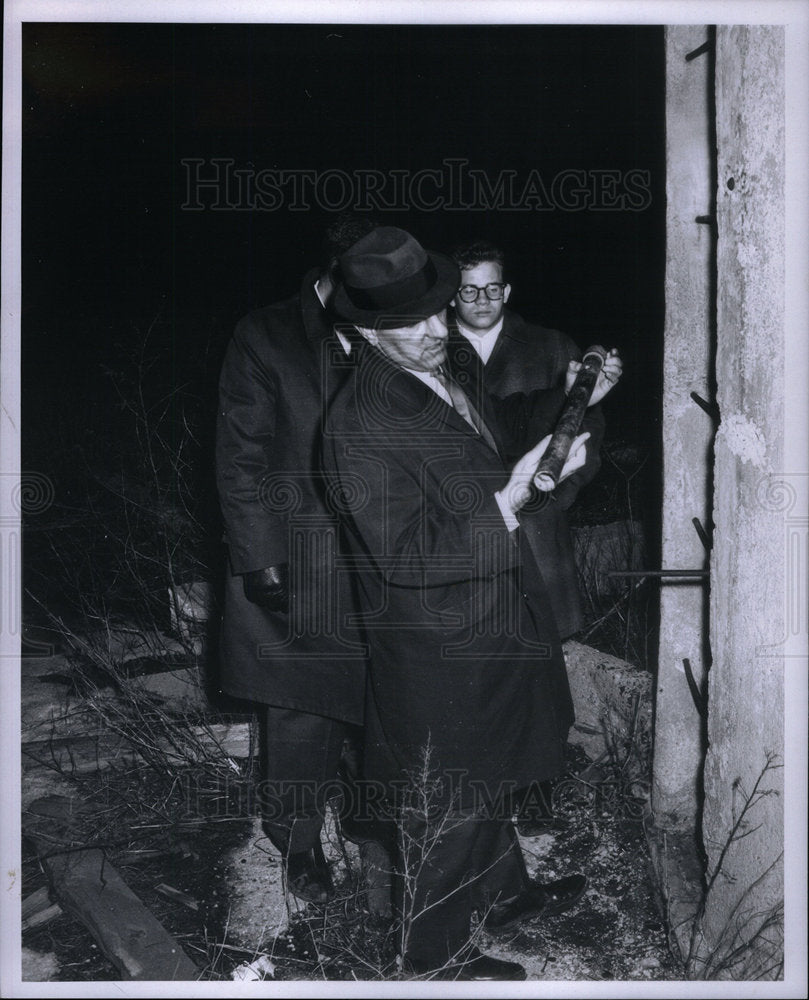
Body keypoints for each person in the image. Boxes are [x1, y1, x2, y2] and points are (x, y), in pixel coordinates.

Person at [323, 226, 621, 980]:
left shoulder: (438, 367)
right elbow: (408, 553)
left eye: (437, 312)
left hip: (490, 612)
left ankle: (504, 894)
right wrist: (511, 499)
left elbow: (488, 444)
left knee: (490, 768)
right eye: (406, 324)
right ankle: (432, 958)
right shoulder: (358, 424)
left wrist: (570, 411)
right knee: (449, 799)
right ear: (360, 331)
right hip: (437, 637)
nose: (432, 333)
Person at [215, 214, 384, 905]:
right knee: (299, 711)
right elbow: (240, 456)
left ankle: (376, 827)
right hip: (297, 561)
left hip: (382, 558)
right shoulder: (265, 334)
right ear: (333, 269)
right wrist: (260, 560)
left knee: (386, 698)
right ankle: (297, 842)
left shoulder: (388, 327)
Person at [447, 238, 606, 640]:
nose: (482, 299)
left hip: (538, 525)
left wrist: (552, 498)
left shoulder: (550, 346)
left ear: (507, 291)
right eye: (469, 289)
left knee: (545, 642)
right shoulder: (436, 350)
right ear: (452, 296)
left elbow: (588, 431)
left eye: (492, 289)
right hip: (466, 527)